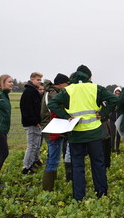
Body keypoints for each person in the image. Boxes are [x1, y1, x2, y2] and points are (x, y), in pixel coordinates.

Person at [48, 65, 118, 201]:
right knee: (98, 163)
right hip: (95, 134)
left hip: (76, 134)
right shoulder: (96, 88)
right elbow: (114, 100)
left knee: (77, 165)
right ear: (89, 77)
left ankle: (79, 197)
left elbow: (52, 104)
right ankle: (101, 193)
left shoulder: (68, 90)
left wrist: (65, 115)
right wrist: (103, 113)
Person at [40, 73, 70, 191]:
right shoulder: (53, 94)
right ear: (61, 84)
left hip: (52, 128)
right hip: (53, 130)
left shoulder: (50, 92)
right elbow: (58, 109)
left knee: (52, 157)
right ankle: (47, 189)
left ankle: (52, 182)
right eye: (67, 84)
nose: (68, 86)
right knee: (53, 158)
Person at [20, 72, 43, 174]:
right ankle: (26, 168)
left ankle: (32, 163)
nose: (39, 82)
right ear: (32, 79)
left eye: (40, 80)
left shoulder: (33, 91)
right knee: (32, 145)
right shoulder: (29, 92)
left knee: (36, 145)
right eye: (38, 80)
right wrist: (35, 122)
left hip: (35, 122)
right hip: (31, 124)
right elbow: (27, 109)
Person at [110, 87, 122, 154]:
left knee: (118, 134)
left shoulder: (121, 101)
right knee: (113, 134)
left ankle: (117, 148)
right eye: (116, 93)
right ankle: (112, 148)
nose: (117, 94)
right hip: (112, 119)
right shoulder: (112, 100)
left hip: (119, 119)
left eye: (118, 93)